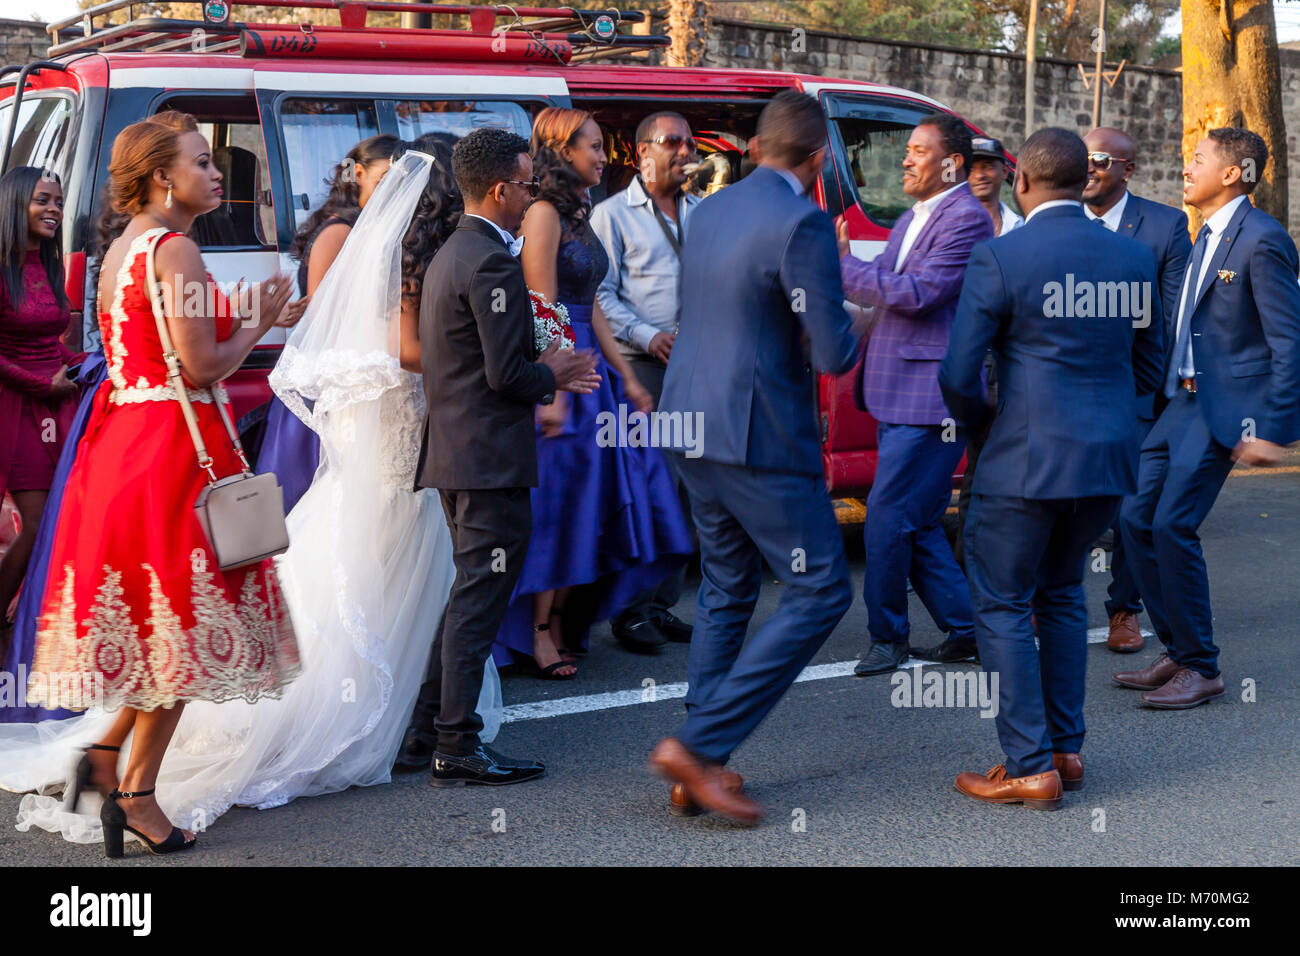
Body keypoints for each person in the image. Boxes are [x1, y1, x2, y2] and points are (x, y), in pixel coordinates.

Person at [14, 114, 301, 857]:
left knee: (161, 623)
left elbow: (150, 350)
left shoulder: (124, 248)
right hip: (174, 448)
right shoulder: (175, 249)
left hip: (124, 443)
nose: (216, 175)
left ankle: (108, 754)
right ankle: (136, 796)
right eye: (203, 163)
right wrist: (260, 323)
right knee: (183, 626)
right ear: (162, 177)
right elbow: (203, 366)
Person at [648, 90, 863, 824]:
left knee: (727, 585)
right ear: (819, 159)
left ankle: (700, 765)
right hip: (757, 433)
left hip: (689, 421)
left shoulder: (709, 210)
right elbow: (834, 351)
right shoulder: (803, 221)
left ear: (755, 149)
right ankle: (698, 744)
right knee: (822, 590)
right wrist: (846, 308)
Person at [939, 127, 1163, 808]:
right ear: (1082, 180)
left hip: (1023, 458)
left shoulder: (1000, 256)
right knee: (1063, 593)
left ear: (1023, 182)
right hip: (1107, 457)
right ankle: (1066, 750)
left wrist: (986, 427)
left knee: (1003, 601)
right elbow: (1149, 366)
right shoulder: (1132, 257)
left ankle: (1031, 764)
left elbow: (958, 374)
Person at [394, 127, 600, 783]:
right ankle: (454, 743)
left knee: (469, 596)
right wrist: (557, 372)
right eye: (528, 181)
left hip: (462, 453)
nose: (533, 192)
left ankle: (425, 734)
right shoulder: (486, 260)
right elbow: (505, 374)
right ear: (501, 188)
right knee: (478, 601)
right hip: (485, 457)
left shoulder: (454, 252)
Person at [489, 107, 692, 678]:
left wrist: (627, 379)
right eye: (594, 147)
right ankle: (534, 633)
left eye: (603, 148)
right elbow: (543, 304)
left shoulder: (578, 213)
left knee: (585, 503)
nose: (605, 158)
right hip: (560, 370)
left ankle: (562, 623)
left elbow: (593, 302)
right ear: (561, 150)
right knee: (554, 507)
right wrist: (553, 391)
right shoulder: (545, 214)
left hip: (592, 372)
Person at [1116, 128, 1300, 708]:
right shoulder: (1204, 236)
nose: (1185, 167)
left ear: (1232, 173)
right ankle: (1179, 648)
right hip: (1180, 403)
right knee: (1133, 519)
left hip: (1226, 411)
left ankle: (1202, 665)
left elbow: (1288, 342)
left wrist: (1274, 428)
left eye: (1197, 159)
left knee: (1171, 524)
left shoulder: (1262, 240)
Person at [836, 112, 993, 673]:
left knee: (884, 516)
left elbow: (921, 293)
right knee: (918, 521)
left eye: (918, 150)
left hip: (931, 400)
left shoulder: (967, 219)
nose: (905, 158)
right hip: (894, 388)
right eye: (907, 149)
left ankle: (888, 636)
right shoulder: (912, 218)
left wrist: (844, 267)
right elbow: (887, 301)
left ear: (951, 163)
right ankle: (969, 630)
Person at [589, 109, 703, 654]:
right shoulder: (611, 217)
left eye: (688, 143)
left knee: (687, 493)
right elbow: (597, 295)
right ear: (642, 155)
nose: (684, 152)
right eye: (672, 142)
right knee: (646, 490)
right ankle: (629, 613)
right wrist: (647, 333)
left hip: (695, 369)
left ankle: (660, 604)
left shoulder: (704, 215)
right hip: (642, 368)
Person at [1082, 126, 1190, 654]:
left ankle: (1124, 609)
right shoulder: (1055, 218)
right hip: (1067, 390)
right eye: (1082, 156)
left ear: (1128, 168)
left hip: (1136, 390)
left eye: (1100, 158)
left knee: (1129, 511)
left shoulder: (1166, 225)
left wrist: (1153, 390)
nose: (1089, 166)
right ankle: (1044, 601)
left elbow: (1170, 318)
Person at [256, 134, 400, 514]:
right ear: (356, 173)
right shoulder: (341, 232)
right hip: (326, 388)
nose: (394, 192)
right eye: (385, 180)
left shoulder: (362, 229)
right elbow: (325, 319)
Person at [0, 166, 79, 662]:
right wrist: (40, 384)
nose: (53, 209)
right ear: (14, 206)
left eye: (57, 201)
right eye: (41, 201)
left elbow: (53, 340)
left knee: (61, 514)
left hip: (58, 402)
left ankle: (33, 622)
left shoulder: (48, 264)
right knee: (35, 521)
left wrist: (88, 367)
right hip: (16, 405)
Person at [951, 135, 1020, 570]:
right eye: (974, 165)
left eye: (990, 165)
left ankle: (991, 568)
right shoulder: (949, 225)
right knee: (961, 475)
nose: (981, 172)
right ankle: (963, 572)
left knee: (996, 468)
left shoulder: (1022, 229)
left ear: (1004, 172)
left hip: (1007, 363)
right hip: (960, 358)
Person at [966, 136, 1022, 236]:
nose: (979, 175)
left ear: (1004, 171)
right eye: (971, 169)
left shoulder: (1019, 226)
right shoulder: (947, 225)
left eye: (988, 166)